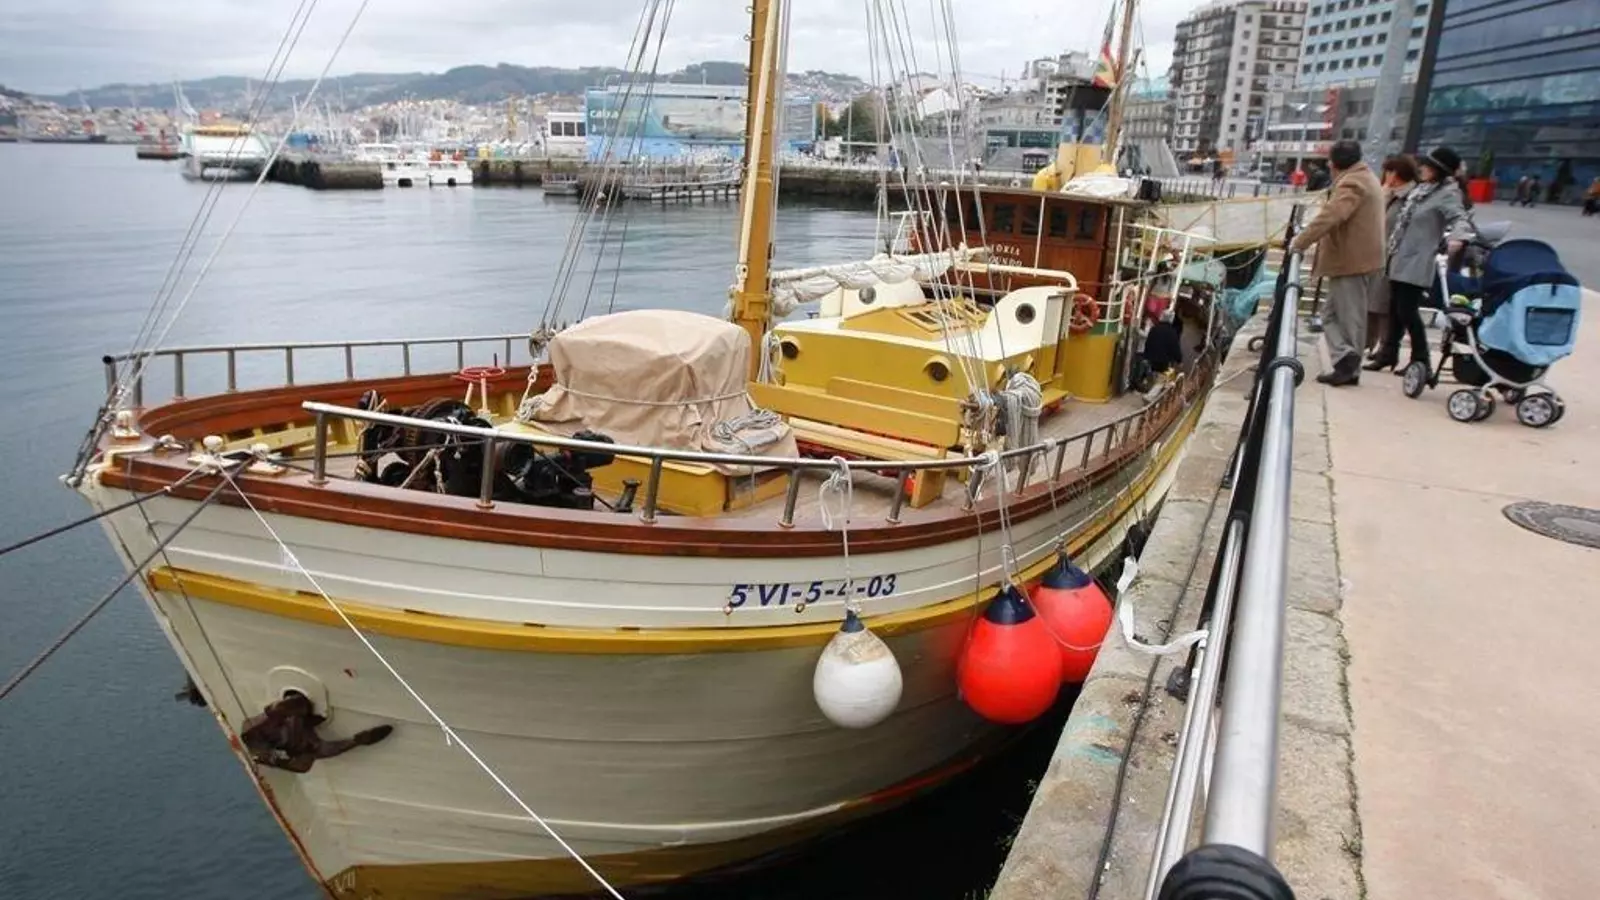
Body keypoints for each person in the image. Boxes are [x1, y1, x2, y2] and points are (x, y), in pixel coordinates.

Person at [1366, 146, 1474, 375]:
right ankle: (1388, 353)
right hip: (1399, 256)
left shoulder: (1447, 194)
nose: (1422, 168)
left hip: (1418, 259)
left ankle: (1421, 359)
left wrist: (1458, 238)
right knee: (1394, 309)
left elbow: (1460, 219)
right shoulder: (1423, 190)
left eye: (1427, 165)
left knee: (1407, 311)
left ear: (1438, 170)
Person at [1288, 140, 1386, 387]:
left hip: (1351, 261)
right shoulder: (1365, 177)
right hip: (1356, 259)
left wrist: (1300, 242)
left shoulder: (1353, 183)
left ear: (1334, 163)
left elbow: (1331, 215)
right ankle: (1346, 359)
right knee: (1331, 314)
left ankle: (1347, 362)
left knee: (1348, 315)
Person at [1367, 154, 1418, 358]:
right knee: (1373, 300)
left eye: (1389, 171)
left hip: (1395, 257)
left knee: (1385, 304)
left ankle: (1385, 346)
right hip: (1380, 253)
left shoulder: (1410, 198)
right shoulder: (1391, 194)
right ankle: (1370, 343)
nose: (1386, 176)